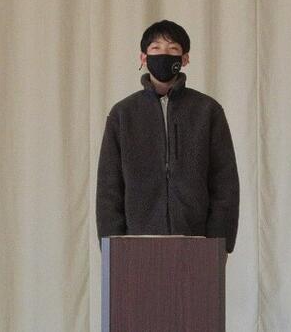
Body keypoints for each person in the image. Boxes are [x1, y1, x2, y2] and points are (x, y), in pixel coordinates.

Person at [96, 20, 240, 256]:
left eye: (173, 49)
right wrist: (112, 246)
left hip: (198, 243)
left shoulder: (208, 111)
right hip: (134, 247)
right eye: (156, 48)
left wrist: (219, 244)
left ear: (185, 59)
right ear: (143, 58)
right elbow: (109, 187)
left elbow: (225, 182)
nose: (164, 54)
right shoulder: (123, 114)